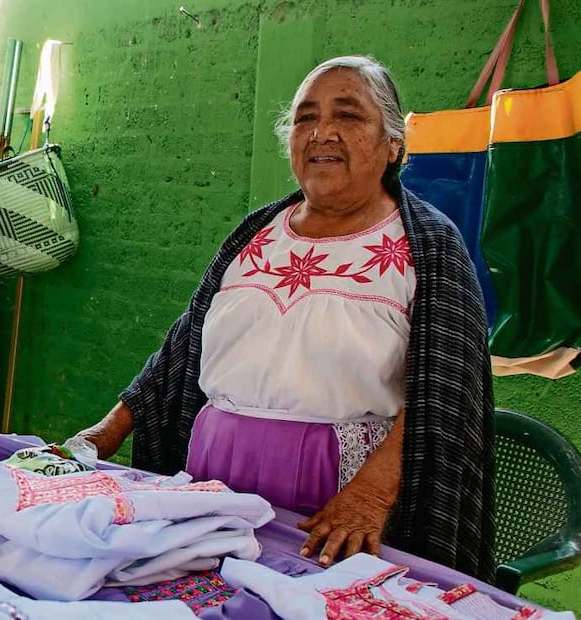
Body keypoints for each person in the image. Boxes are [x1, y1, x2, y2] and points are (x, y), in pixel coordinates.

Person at [72, 56, 495, 580]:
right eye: (305, 118)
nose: (322, 133)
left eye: (348, 116)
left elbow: (448, 391)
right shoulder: (257, 232)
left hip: (338, 492)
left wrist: (371, 496)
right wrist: (107, 431)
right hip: (212, 474)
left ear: (393, 145)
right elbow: (186, 344)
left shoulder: (427, 246)